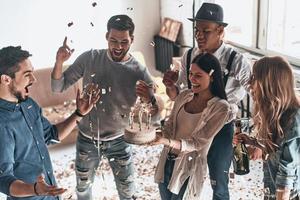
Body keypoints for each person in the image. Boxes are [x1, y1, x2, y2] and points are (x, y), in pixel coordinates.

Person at [51, 14, 157, 200]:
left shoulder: (139, 71)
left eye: (124, 42)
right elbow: (57, 87)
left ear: (132, 39)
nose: (118, 46)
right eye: (113, 40)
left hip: (120, 140)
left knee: (128, 191)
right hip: (87, 138)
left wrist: (150, 100)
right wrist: (59, 61)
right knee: (83, 189)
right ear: (106, 36)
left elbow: (155, 115)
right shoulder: (90, 58)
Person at [162, 3, 252, 199]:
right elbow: (181, 96)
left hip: (221, 128)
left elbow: (256, 93)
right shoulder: (189, 56)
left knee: (218, 181)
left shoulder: (237, 60)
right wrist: (170, 86)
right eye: (197, 30)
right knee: (184, 174)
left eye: (206, 31)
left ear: (221, 31)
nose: (199, 35)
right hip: (193, 125)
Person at [0, 46, 100, 200]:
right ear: (6, 79)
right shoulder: (2, 124)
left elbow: (51, 135)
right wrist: (35, 189)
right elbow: (4, 181)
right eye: (27, 75)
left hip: (50, 194)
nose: (34, 79)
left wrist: (79, 113)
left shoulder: (29, 104)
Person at [152, 53, 232, 199]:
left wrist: (165, 141)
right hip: (167, 161)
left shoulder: (220, 108)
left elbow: (197, 143)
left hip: (189, 167)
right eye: (190, 74)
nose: (192, 79)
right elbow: (170, 126)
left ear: (212, 77)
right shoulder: (184, 96)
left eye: (198, 75)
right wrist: (156, 133)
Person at [234, 56, 300, 200]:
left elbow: (287, 175)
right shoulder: (276, 113)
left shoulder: (292, 120)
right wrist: (252, 142)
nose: (250, 84)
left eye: (254, 78)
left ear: (269, 84)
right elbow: (276, 149)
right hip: (272, 188)